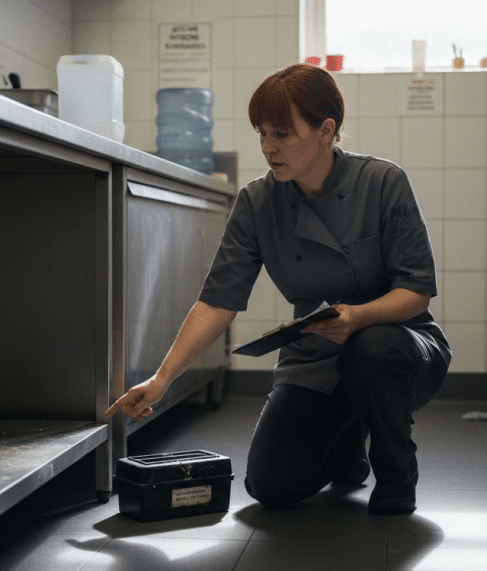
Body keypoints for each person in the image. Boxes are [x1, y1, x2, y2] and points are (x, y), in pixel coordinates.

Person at [105, 63, 451, 515]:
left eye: (282, 134)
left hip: (400, 349)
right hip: (316, 357)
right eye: (263, 134)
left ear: (326, 131)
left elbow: (416, 291)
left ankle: (396, 475)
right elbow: (217, 301)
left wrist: (358, 317)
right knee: (271, 484)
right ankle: (348, 445)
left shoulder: (383, 183)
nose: (269, 148)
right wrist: (162, 378)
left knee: (372, 349)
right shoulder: (257, 202)